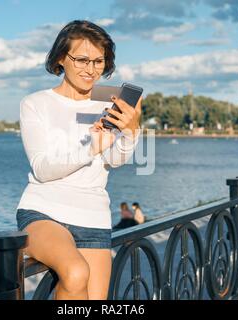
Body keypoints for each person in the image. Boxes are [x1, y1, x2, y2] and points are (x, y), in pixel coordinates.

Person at [15, 20, 142, 300]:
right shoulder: (35, 104)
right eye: (82, 59)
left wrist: (131, 133)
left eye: (99, 61)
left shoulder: (107, 103)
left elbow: (114, 159)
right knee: (75, 272)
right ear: (61, 57)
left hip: (93, 216)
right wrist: (90, 148)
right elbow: (43, 168)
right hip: (43, 212)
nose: (91, 69)